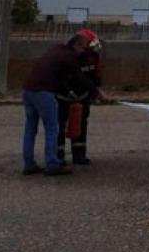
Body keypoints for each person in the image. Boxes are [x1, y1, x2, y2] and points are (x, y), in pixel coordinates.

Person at [21, 33, 102, 176]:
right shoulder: (69, 57)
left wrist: (69, 91)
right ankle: (52, 164)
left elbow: (58, 77)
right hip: (44, 93)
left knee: (30, 129)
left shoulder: (56, 51)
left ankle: (29, 164)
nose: (83, 52)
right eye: (83, 48)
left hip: (28, 91)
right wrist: (96, 93)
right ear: (76, 45)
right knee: (53, 128)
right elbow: (79, 78)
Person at [57, 29, 102, 165]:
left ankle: (79, 155)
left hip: (83, 96)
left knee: (81, 125)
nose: (94, 48)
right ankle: (58, 156)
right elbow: (61, 78)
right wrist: (69, 92)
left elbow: (95, 77)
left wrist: (95, 92)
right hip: (64, 96)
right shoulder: (69, 56)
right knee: (60, 125)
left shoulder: (94, 57)